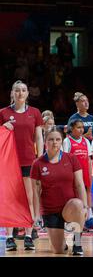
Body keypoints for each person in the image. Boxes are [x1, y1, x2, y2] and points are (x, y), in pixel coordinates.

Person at [30, 128, 88, 255]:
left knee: (79, 205)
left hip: (69, 207)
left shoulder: (71, 158)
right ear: (45, 141)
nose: (54, 142)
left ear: (62, 141)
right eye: (51, 139)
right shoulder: (37, 164)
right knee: (58, 250)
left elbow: (79, 184)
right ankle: (63, 241)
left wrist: (86, 206)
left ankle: (77, 242)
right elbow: (35, 191)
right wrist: (36, 216)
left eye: (58, 139)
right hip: (50, 210)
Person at [1, 80, 44, 251]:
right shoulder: (3, 113)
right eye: (17, 90)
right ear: (12, 93)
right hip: (8, 162)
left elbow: (39, 137)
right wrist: (2, 127)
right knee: (9, 198)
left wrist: (40, 158)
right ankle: (9, 237)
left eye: (23, 90)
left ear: (27, 94)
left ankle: (28, 234)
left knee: (29, 198)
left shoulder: (35, 112)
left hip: (29, 161)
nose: (20, 93)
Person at [62, 119, 93, 232]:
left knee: (85, 196)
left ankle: (85, 220)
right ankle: (70, 222)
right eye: (78, 127)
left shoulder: (86, 141)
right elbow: (64, 159)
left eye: (82, 127)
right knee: (73, 199)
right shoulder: (67, 141)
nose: (81, 130)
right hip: (72, 174)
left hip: (85, 173)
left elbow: (89, 159)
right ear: (71, 129)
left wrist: (91, 173)